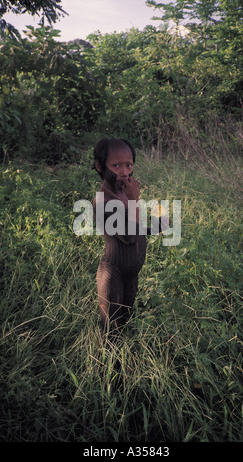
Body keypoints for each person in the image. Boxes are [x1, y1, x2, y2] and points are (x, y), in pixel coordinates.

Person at [92, 138, 168, 341]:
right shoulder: (103, 201)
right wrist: (135, 199)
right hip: (113, 274)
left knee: (124, 321)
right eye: (116, 166)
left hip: (131, 274)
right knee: (111, 331)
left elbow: (135, 227)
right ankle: (104, 369)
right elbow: (130, 237)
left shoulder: (122, 193)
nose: (124, 172)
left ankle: (122, 367)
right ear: (100, 166)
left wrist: (157, 227)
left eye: (129, 165)